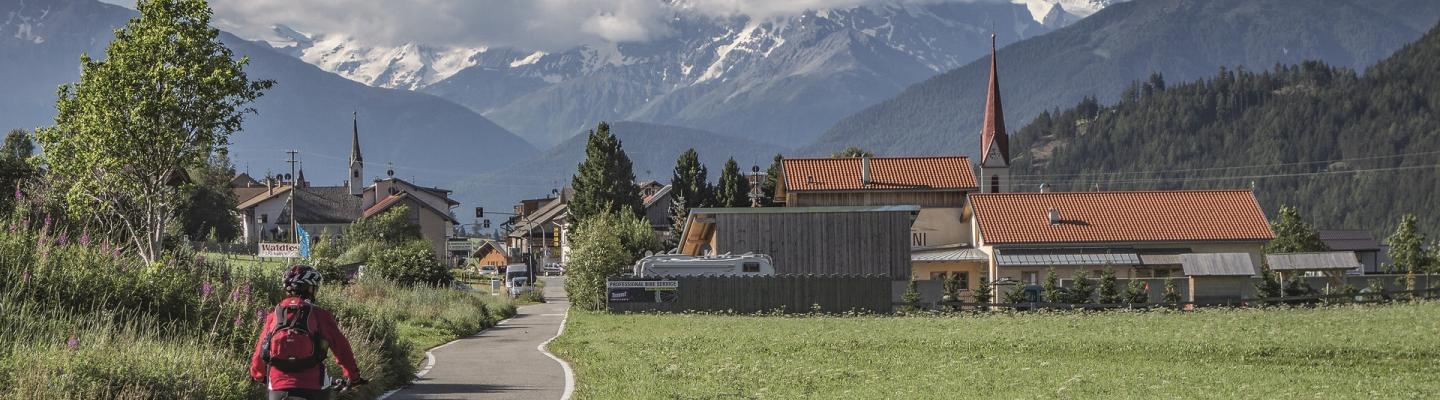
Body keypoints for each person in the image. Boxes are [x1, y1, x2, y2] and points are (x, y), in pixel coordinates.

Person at [250, 265, 367, 400]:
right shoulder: (319, 315)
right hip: (313, 387)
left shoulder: (274, 316)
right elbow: (341, 348)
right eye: (315, 288)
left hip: (278, 387)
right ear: (309, 289)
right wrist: (353, 377)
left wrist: (258, 375)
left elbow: (260, 351)